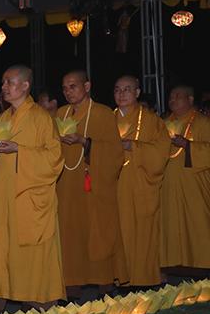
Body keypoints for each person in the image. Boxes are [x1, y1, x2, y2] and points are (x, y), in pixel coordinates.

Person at [0, 65, 65, 312]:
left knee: (32, 249)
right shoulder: (2, 119)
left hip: (29, 196)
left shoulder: (41, 118)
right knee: (2, 247)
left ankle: (38, 298)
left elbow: (55, 158)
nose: (4, 87)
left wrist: (19, 150)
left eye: (9, 82)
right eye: (3, 83)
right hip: (4, 196)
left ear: (25, 85)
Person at [55, 70, 126, 294]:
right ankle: (71, 283)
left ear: (87, 87)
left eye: (73, 86)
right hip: (66, 186)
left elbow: (115, 153)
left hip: (93, 185)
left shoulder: (103, 113)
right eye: (65, 87)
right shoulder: (61, 114)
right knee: (69, 233)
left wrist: (84, 142)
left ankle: (104, 282)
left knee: (97, 231)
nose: (68, 92)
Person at [113, 75, 170, 287]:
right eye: (117, 90)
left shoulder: (151, 121)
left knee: (143, 232)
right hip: (114, 186)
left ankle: (144, 278)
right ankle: (119, 278)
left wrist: (133, 147)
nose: (121, 94)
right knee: (117, 232)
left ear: (137, 92)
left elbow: (162, 152)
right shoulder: (107, 120)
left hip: (141, 185)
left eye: (127, 89)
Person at [161, 84, 210, 272]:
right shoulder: (163, 123)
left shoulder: (203, 122)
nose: (172, 100)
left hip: (195, 185)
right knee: (171, 223)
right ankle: (173, 265)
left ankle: (202, 265)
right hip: (169, 183)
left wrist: (188, 146)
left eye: (177, 96)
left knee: (197, 223)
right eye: (171, 97)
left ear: (190, 100)